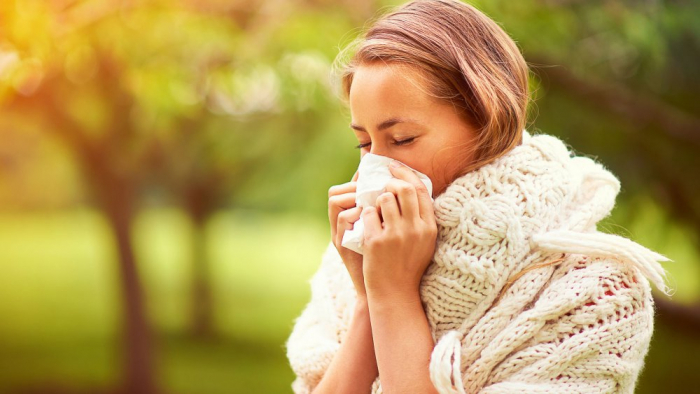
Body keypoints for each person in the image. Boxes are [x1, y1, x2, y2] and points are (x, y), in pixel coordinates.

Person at [285, 1, 671, 393]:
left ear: (488, 121)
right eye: (364, 143)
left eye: (402, 139)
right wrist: (369, 301)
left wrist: (396, 299)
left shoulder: (594, 292)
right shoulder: (352, 266)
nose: (374, 170)